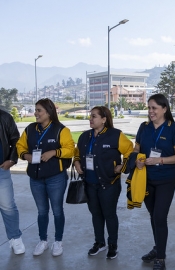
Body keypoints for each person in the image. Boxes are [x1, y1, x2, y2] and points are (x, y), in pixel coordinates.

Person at [16, 98, 74, 257]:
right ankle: (43, 241)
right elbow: (19, 146)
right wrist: (25, 155)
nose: (36, 113)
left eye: (39, 110)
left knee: (57, 211)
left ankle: (58, 241)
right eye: (35, 110)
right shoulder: (30, 129)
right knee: (42, 212)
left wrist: (54, 152)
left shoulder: (61, 130)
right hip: (35, 178)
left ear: (48, 112)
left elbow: (70, 149)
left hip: (56, 177)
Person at [74, 106, 133, 259]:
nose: (90, 119)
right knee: (95, 214)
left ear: (104, 119)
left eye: (94, 116)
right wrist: (77, 162)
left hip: (109, 184)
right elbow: (77, 153)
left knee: (109, 214)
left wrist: (122, 167)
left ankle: (113, 244)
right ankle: (99, 242)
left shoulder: (115, 135)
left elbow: (130, 151)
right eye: (90, 116)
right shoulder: (84, 136)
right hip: (90, 183)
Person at [134, 94, 175, 270]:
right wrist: (138, 160)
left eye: (154, 108)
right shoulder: (144, 127)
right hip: (146, 180)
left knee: (159, 216)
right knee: (153, 216)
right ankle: (158, 248)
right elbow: (136, 149)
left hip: (165, 180)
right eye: (149, 108)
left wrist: (159, 160)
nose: (150, 111)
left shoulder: (174, 129)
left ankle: (161, 258)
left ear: (164, 109)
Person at [0, 109, 25, 255]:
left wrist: (12, 159)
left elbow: (16, 139)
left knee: (8, 206)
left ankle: (15, 238)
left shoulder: (4, 117)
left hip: (1, 170)